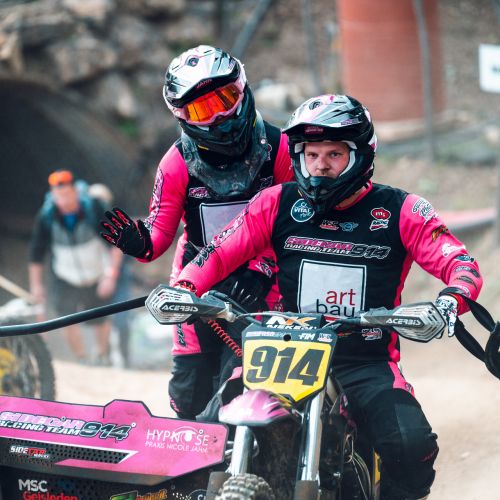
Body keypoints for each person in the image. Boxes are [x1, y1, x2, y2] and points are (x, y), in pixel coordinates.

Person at [174, 94, 483, 500]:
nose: (320, 165)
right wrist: (184, 287)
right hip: (279, 351)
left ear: (361, 155)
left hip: (363, 360)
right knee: (205, 434)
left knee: (412, 446)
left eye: (334, 154)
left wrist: (448, 302)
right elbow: (216, 253)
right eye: (311, 154)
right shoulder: (275, 201)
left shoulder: (402, 209)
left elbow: (461, 264)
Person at [101, 45, 293, 418]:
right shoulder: (175, 164)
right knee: (188, 397)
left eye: (224, 99)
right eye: (203, 109)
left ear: (242, 89)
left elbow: (294, 224)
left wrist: (262, 269)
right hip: (197, 283)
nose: (220, 116)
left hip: (262, 282)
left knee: (243, 387)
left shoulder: (281, 147)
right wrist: (138, 242)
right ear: (182, 115)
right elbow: (158, 236)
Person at [29, 170, 122, 366]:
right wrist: (36, 286)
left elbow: (117, 244)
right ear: (53, 195)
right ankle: (82, 359)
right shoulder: (47, 216)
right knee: (66, 318)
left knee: (101, 317)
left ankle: (101, 355)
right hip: (65, 275)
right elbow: (36, 253)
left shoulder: (94, 208)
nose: (63, 200)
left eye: (67, 193)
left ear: (75, 191)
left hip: (97, 273)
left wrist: (110, 275)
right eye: (59, 195)